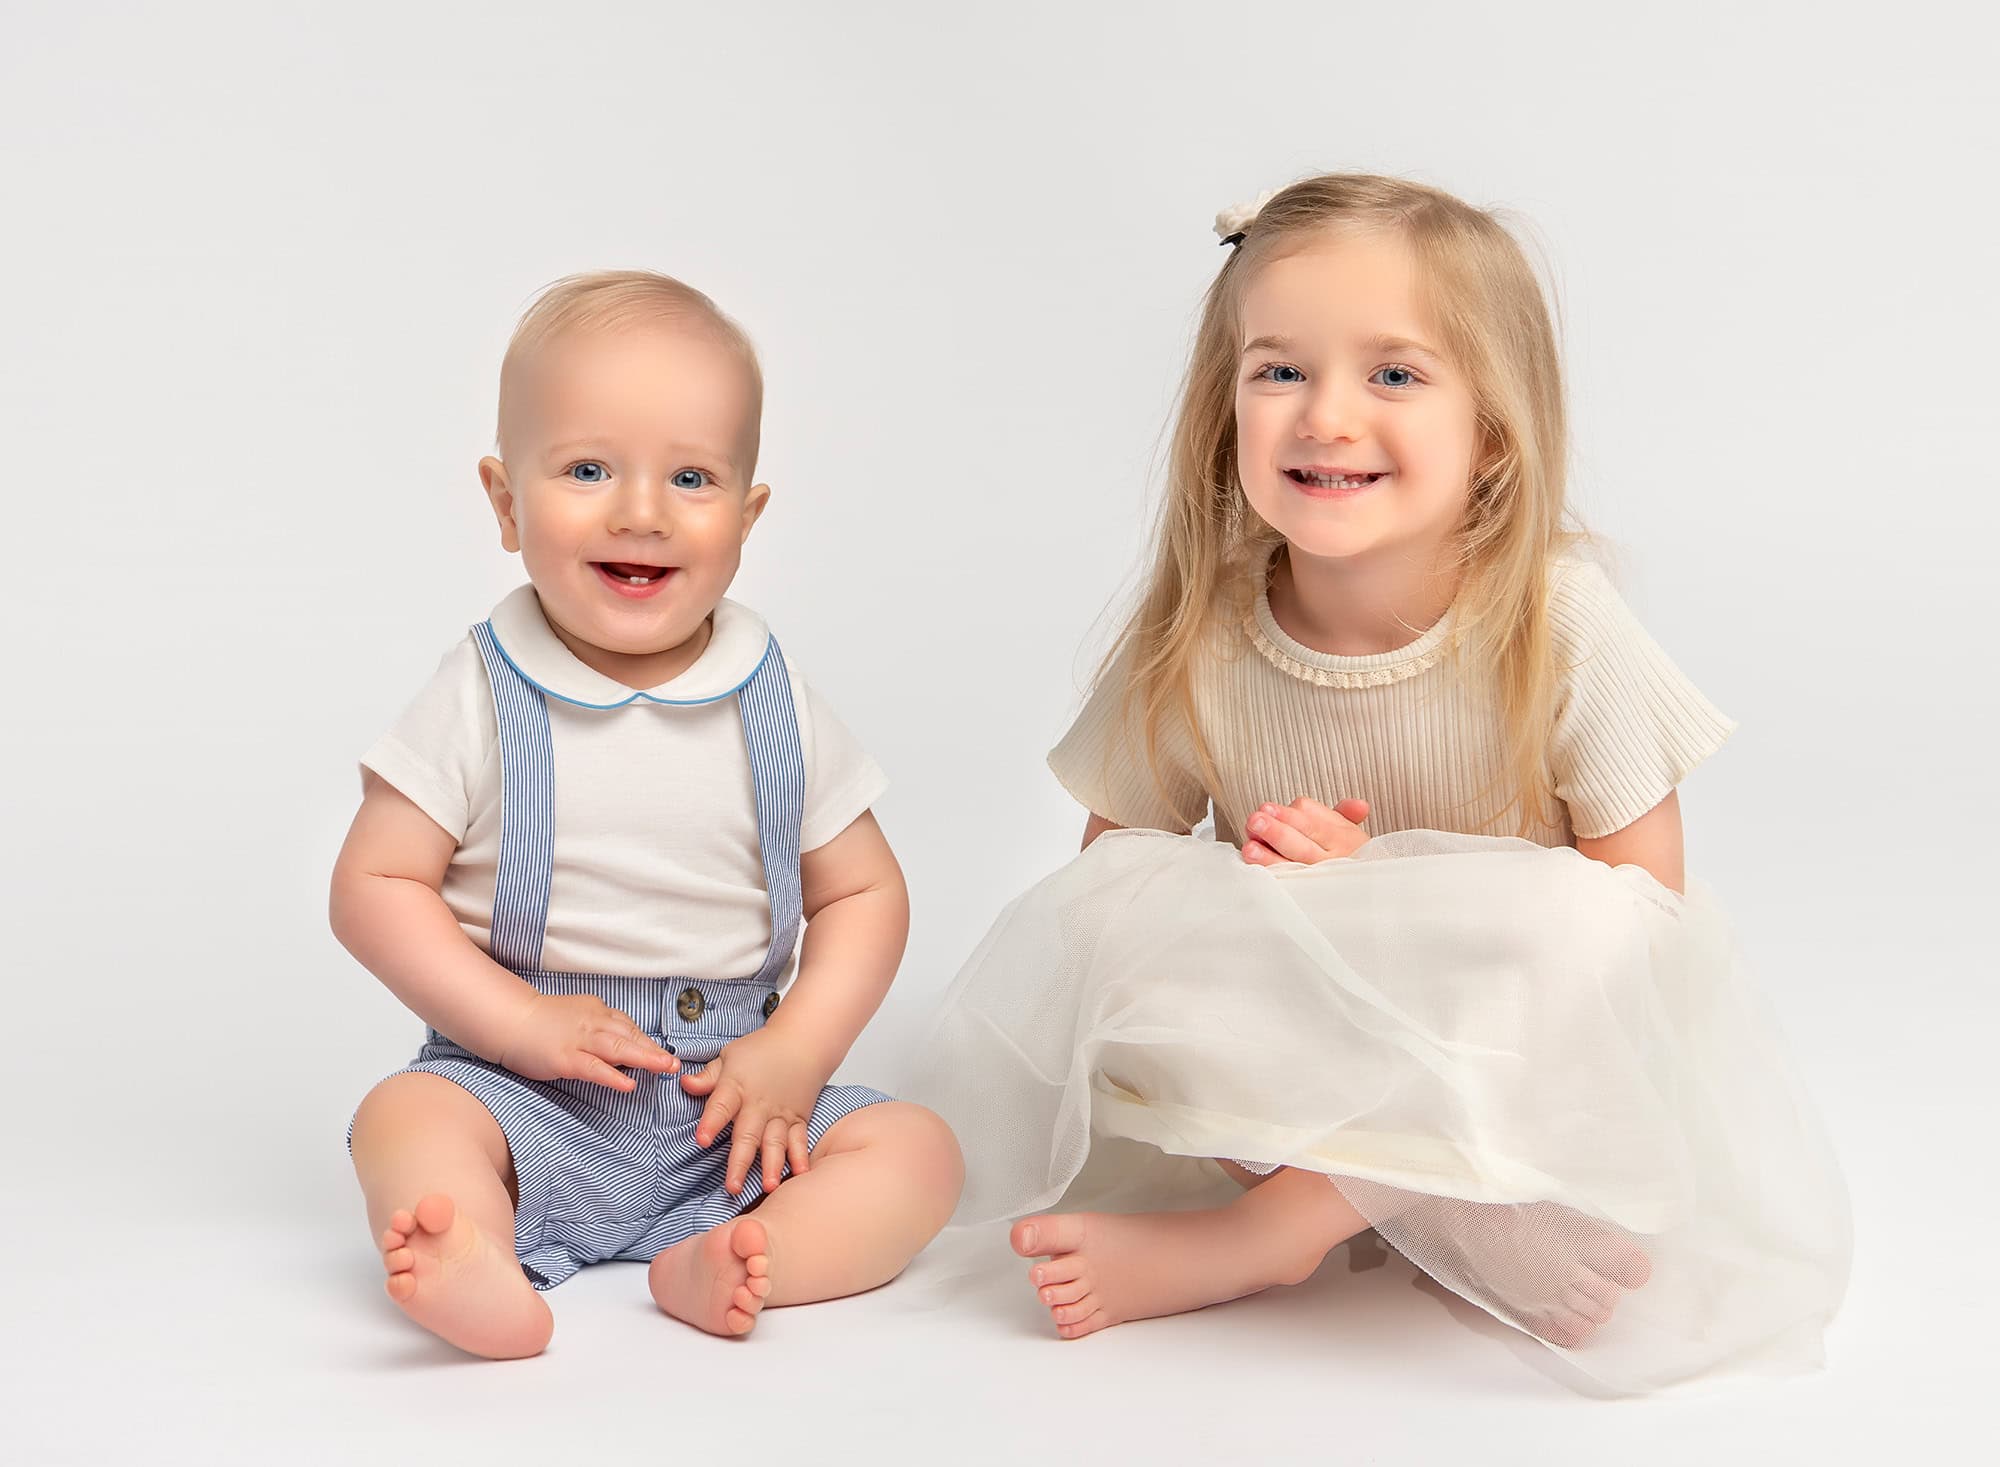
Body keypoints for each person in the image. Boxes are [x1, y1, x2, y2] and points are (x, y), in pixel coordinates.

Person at [906, 176, 1848, 1393]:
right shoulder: (1198, 638)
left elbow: (1639, 914)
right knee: (1134, 911)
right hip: (1302, 1039)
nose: (1325, 418)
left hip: (1511, 1048)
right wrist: (1279, 889)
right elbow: (1108, 892)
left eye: (1393, 375)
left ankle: (1273, 1234)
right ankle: (1417, 1208)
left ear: (1492, 432)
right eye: (1278, 372)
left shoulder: (1554, 620)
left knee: (1572, 928)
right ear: (1222, 412)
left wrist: (1391, 893)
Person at [334, 270, 962, 1359]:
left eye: (691, 477)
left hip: (734, 1099)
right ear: (504, 502)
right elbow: (373, 886)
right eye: (586, 469)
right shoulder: (480, 692)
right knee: (408, 1117)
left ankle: (746, 1259)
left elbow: (863, 891)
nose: (642, 511)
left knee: (917, 1153)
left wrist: (799, 1056)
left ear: (747, 514)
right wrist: (512, 1023)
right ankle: (473, 1255)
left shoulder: (772, 693)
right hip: (525, 1086)